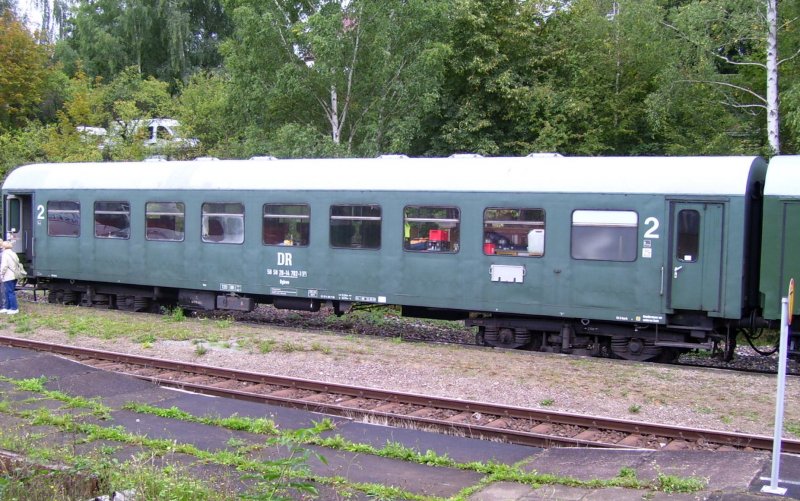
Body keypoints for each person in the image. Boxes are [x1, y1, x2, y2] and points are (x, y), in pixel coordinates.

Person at [0, 240, 20, 314]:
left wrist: (1, 274)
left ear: (4, 247)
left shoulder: (5, 254)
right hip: (15, 275)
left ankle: (14, 308)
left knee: (9, 292)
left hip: (8, 276)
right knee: (9, 291)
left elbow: (4, 266)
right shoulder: (13, 253)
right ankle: (8, 308)